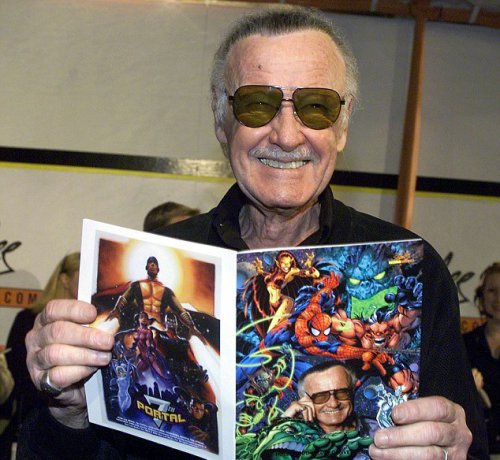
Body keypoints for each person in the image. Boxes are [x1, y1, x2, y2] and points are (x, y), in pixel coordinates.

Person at [20, 6, 487, 459]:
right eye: (257, 104)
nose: (286, 135)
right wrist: (67, 411)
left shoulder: (412, 272)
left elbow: (468, 447)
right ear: (222, 123)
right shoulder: (174, 250)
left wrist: (451, 450)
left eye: (316, 107)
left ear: (342, 128)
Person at [2, 252, 79, 455]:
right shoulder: (27, 319)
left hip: (75, 427)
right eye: (82, 272)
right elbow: (14, 376)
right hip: (33, 421)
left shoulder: (90, 324)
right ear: (64, 279)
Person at [463, 262, 500, 455]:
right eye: (492, 290)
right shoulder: (466, 343)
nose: (498, 298)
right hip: (477, 447)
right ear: (482, 296)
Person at [283, 361, 375, 434]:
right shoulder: (293, 436)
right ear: (303, 400)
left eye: (342, 393)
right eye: (321, 397)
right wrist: (282, 424)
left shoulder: (377, 430)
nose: (333, 404)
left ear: (352, 391)